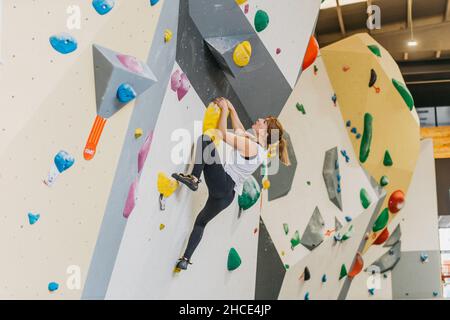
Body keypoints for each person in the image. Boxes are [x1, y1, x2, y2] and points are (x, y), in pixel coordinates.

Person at [172, 97, 290, 271]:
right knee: (200, 223)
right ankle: (185, 259)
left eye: (263, 122)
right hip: (227, 196)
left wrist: (225, 112)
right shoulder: (259, 147)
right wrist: (232, 109)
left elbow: (221, 133)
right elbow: (240, 130)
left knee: (206, 140)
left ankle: (194, 179)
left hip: (225, 183)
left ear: (265, 132)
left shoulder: (253, 147)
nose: (259, 120)